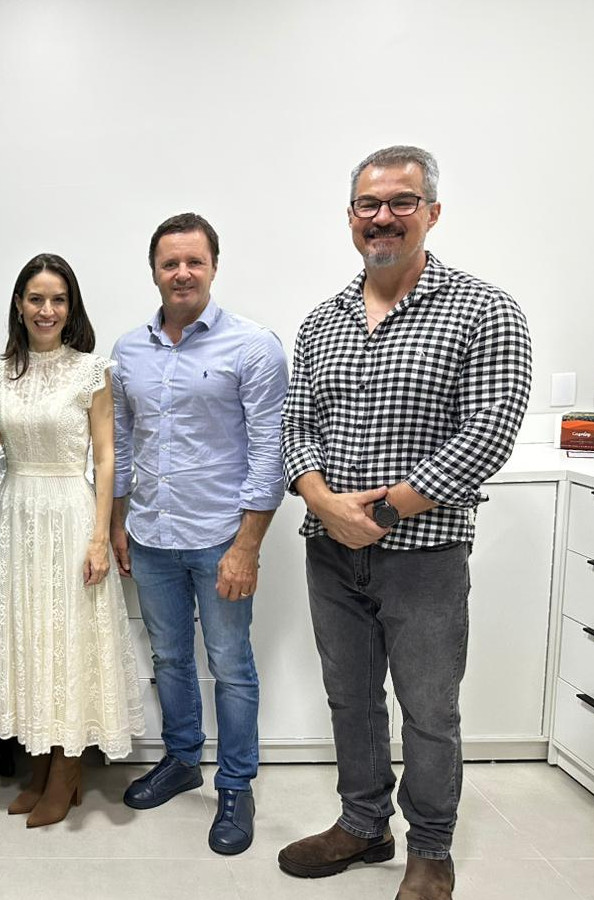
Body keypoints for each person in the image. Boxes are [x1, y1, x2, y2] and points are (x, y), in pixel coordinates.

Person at [277, 146, 531, 900]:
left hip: (425, 553)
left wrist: (385, 510)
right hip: (330, 551)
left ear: (432, 212)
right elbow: (296, 427)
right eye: (369, 204)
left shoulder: (483, 309)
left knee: (428, 711)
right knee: (351, 699)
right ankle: (363, 825)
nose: (382, 216)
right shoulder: (321, 322)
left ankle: (431, 848)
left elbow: (489, 431)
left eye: (401, 202)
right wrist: (323, 502)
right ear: (350, 216)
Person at [110, 213, 288, 855]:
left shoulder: (253, 346)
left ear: (214, 266)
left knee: (231, 664)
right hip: (151, 534)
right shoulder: (127, 351)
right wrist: (117, 523)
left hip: (220, 538)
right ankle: (182, 759)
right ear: (154, 271)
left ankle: (235, 784)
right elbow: (121, 444)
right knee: (168, 657)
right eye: (170, 263)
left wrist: (248, 546)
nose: (181, 273)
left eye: (194, 261)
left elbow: (269, 453)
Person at [0, 252, 145, 827]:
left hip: (70, 513)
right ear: (19, 306)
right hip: (16, 516)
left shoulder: (91, 371)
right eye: (36, 298)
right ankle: (41, 769)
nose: (46, 310)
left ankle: (68, 771)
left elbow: (106, 457)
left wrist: (100, 537)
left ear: (71, 308)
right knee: (29, 639)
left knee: (67, 641)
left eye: (58, 299)